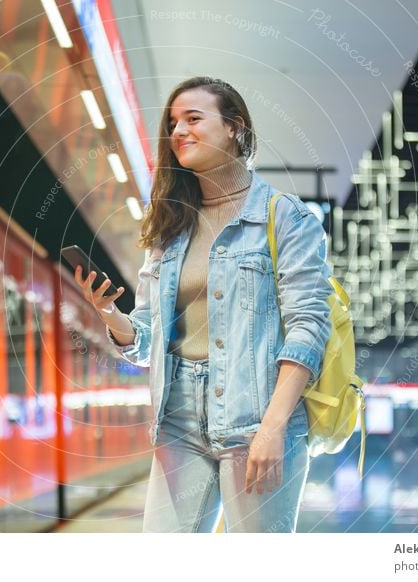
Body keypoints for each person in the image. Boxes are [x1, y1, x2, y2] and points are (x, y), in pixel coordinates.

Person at [74, 76, 333, 532]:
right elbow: (147, 336)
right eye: (173, 122)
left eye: (194, 118)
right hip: (178, 421)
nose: (178, 130)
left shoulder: (285, 217)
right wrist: (111, 315)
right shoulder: (171, 227)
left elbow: (308, 327)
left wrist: (273, 427)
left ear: (235, 127)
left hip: (256, 416)